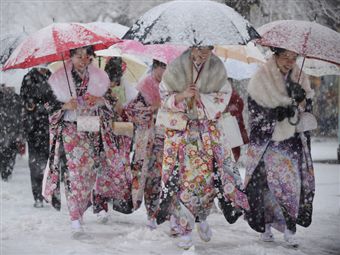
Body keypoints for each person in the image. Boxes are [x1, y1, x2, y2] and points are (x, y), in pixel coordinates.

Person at [156, 46, 249, 249]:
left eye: (207, 49)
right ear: (192, 46)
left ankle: (201, 218)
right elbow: (164, 97)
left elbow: (223, 96)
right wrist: (181, 95)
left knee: (207, 181)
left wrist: (201, 98)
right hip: (182, 132)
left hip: (207, 133)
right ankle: (185, 227)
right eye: (199, 49)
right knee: (183, 181)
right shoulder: (176, 66)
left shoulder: (217, 68)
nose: (203, 54)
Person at [42, 45, 119, 238]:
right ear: (70, 57)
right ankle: (74, 218)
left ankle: (80, 210)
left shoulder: (99, 78)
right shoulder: (59, 78)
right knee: (75, 172)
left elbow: (112, 103)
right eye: (78, 56)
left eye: (86, 56)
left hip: (90, 126)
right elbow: (47, 105)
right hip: (70, 128)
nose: (83, 60)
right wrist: (64, 105)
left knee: (88, 173)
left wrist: (100, 101)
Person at [245, 47, 315, 247]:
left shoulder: (301, 77)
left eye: (293, 58)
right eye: (285, 57)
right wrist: (275, 113)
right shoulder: (261, 77)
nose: (289, 62)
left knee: (291, 185)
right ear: (275, 55)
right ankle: (266, 226)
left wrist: (301, 100)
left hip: (290, 143)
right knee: (267, 186)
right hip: (268, 142)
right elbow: (254, 109)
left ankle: (290, 229)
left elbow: (307, 110)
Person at [92, 56, 135, 224]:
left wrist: (121, 109)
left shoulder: (126, 87)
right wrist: (105, 101)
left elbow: (130, 109)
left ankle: (117, 202)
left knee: (118, 169)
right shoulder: (98, 86)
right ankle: (100, 205)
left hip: (119, 134)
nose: (113, 83)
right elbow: (92, 108)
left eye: (116, 79)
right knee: (103, 170)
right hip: (103, 135)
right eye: (111, 79)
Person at [125, 59, 167, 230]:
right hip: (146, 136)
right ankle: (140, 206)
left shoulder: (169, 86)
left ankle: (154, 212)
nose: (164, 71)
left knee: (157, 175)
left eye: (167, 68)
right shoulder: (144, 85)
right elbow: (132, 111)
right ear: (155, 67)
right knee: (143, 173)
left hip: (163, 135)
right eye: (162, 67)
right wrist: (151, 109)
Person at [20, 66, 51, 208]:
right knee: (35, 161)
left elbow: (56, 99)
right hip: (33, 127)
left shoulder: (51, 76)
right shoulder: (29, 78)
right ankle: (37, 195)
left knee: (48, 161)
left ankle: (46, 192)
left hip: (49, 125)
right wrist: (30, 105)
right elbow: (23, 100)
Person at [0, 84, 25, 181]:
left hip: (13, 133)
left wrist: (21, 134)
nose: (7, 88)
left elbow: (22, 117)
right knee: (4, 155)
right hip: (3, 132)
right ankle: (5, 173)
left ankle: (7, 174)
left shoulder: (18, 99)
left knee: (10, 155)